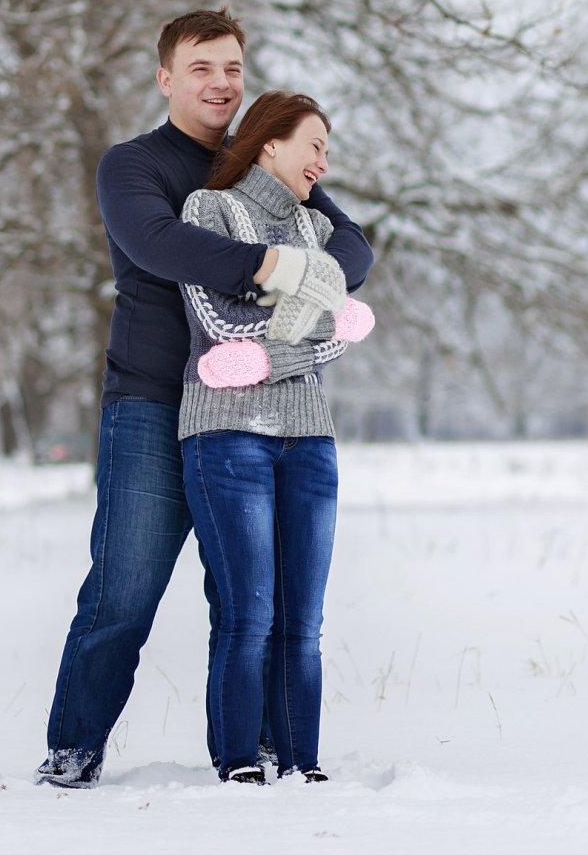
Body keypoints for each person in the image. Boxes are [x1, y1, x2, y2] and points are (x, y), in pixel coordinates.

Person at [38, 8, 374, 786]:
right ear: (165, 78)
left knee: (248, 599)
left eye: (231, 69)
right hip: (150, 404)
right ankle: (74, 747)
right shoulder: (132, 165)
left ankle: (252, 751)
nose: (220, 83)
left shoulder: (262, 165)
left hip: (251, 413)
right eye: (200, 68)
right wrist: (276, 270)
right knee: (124, 590)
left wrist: (315, 277)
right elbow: (159, 244)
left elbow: (350, 248)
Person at [178, 90, 375, 786]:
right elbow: (216, 325)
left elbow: (341, 332)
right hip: (225, 434)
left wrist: (262, 357)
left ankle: (302, 763)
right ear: (270, 143)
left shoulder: (317, 232)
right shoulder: (209, 212)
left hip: (310, 438)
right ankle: (239, 761)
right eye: (314, 145)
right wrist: (305, 322)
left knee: (303, 621)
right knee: (248, 612)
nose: (323, 162)